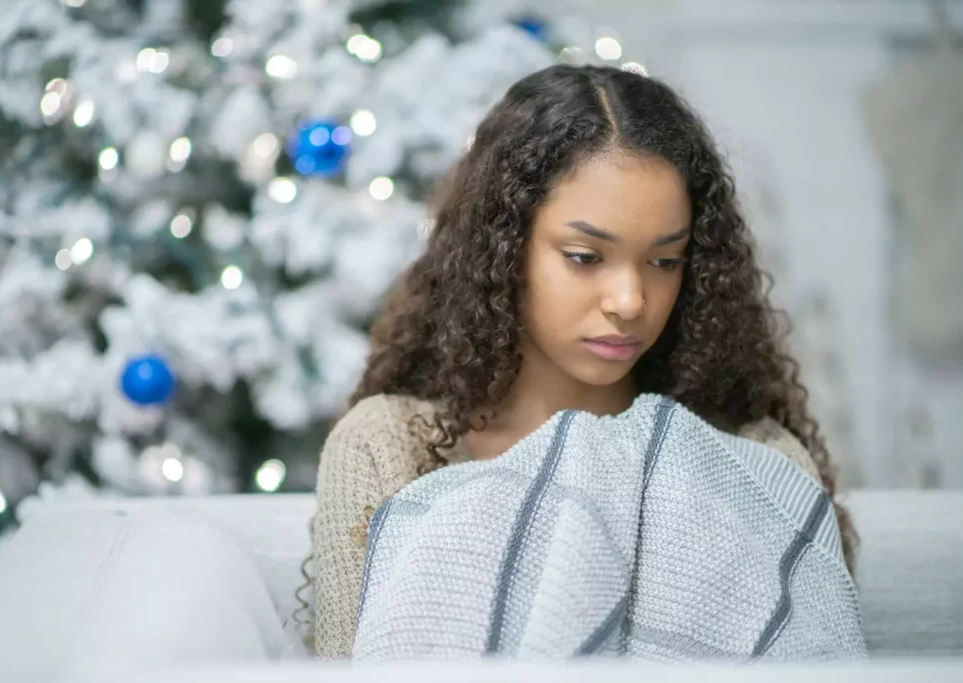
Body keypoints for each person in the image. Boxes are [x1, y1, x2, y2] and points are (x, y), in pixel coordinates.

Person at [307, 63, 858, 660]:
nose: (630, 302)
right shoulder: (390, 450)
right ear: (504, 247)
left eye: (665, 261)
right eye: (584, 257)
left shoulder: (759, 463)